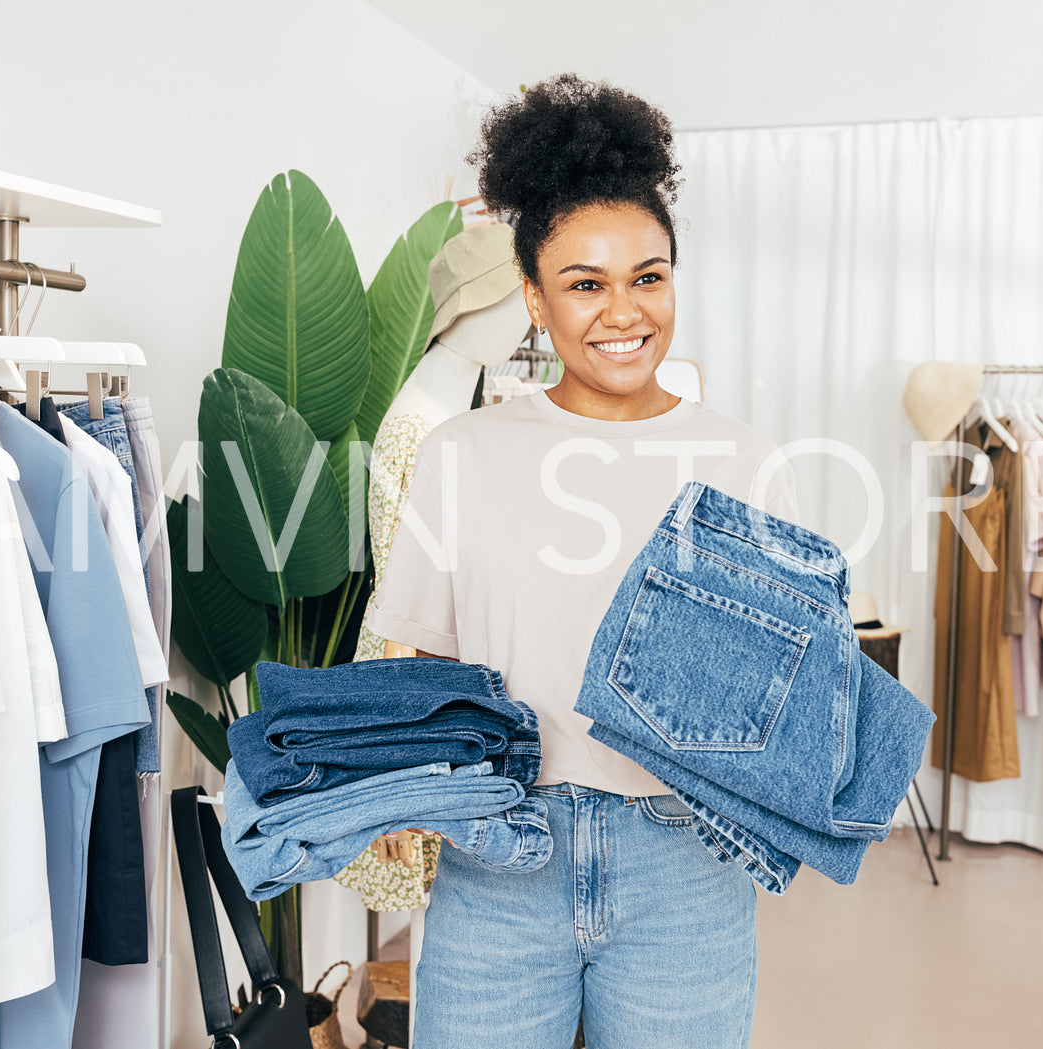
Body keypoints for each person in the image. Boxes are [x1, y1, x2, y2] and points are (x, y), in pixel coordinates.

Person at [362, 72, 799, 1049]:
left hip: (686, 863)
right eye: (584, 283)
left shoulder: (742, 460)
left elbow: (776, 686)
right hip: (500, 860)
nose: (622, 311)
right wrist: (399, 783)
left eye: (647, 276)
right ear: (532, 295)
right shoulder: (460, 454)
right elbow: (428, 663)